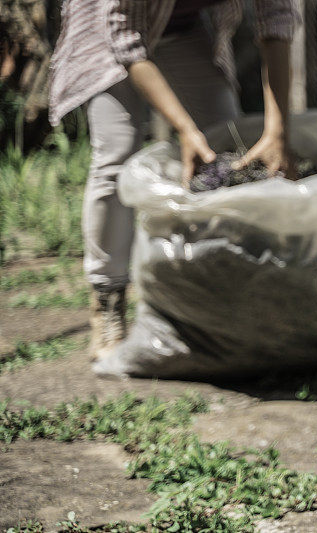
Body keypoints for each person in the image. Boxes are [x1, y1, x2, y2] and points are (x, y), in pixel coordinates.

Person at [48, 0, 300, 361]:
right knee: (116, 158)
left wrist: (278, 132)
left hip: (180, 26)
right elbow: (127, 40)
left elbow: (276, 18)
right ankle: (108, 300)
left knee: (227, 140)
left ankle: (210, 294)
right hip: (108, 25)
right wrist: (184, 129)